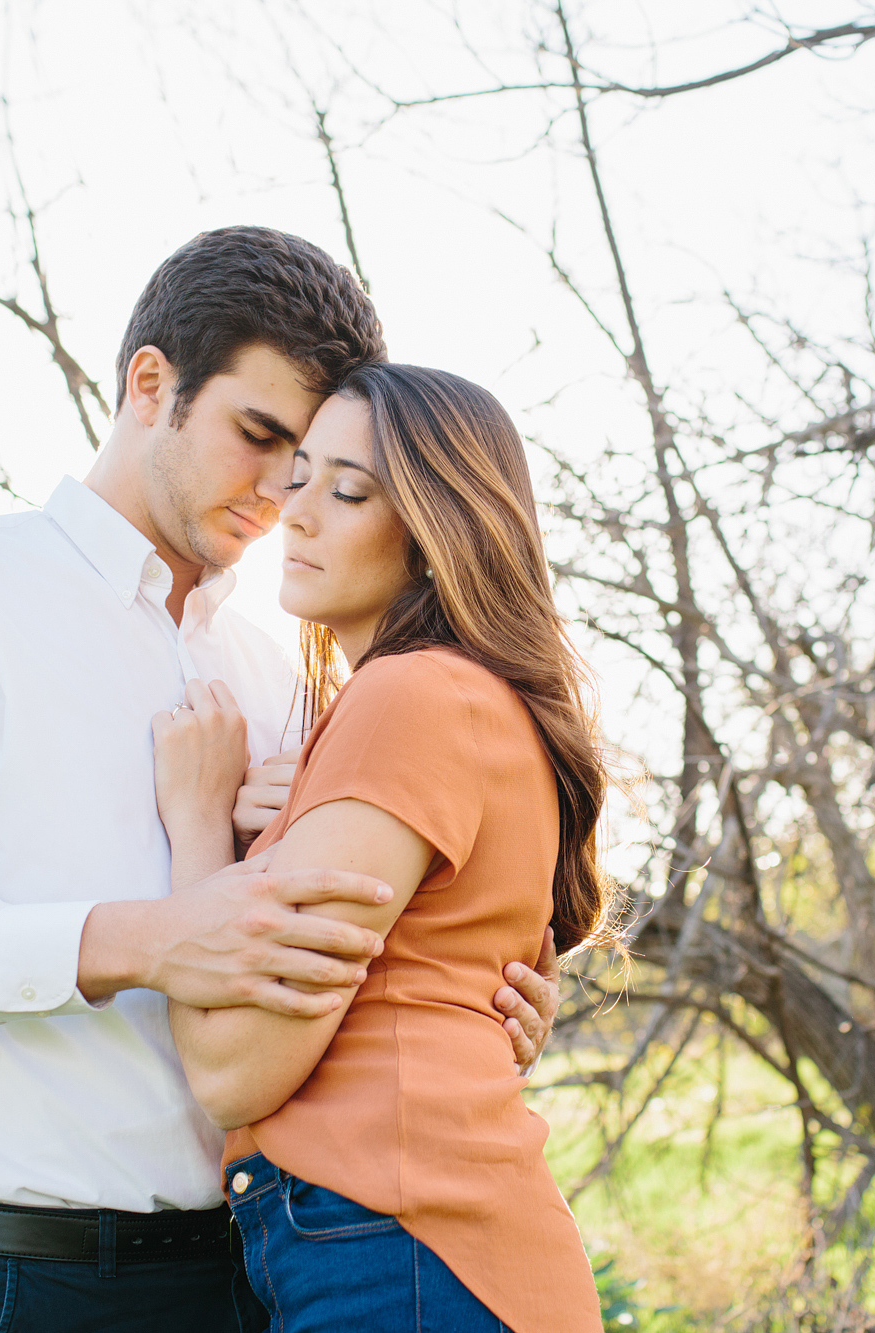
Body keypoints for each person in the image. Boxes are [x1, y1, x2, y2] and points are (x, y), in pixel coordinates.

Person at [0, 228, 561, 1332]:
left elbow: (332, 965)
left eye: (307, 468)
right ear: (152, 384)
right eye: (258, 435)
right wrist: (136, 938)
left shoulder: (290, 672)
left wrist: (471, 997)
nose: (279, 496)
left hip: (276, 1270)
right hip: (37, 1281)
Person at [152, 363, 614, 1332]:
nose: (297, 510)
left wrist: (198, 826)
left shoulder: (412, 695)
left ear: (439, 535)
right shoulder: (466, 699)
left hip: (401, 1255)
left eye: (348, 490)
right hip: (428, 1254)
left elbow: (234, 1068)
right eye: (301, 473)